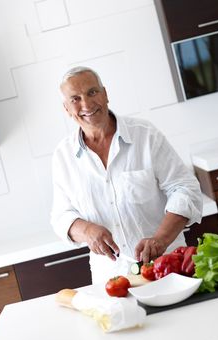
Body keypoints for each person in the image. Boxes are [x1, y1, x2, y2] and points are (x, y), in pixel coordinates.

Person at [50, 66, 203, 284]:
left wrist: (161, 239)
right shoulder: (63, 156)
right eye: (75, 98)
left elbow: (185, 188)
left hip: (169, 266)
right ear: (66, 108)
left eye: (92, 92)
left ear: (105, 94)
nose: (86, 104)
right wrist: (87, 230)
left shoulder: (145, 135)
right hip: (111, 279)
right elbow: (60, 217)